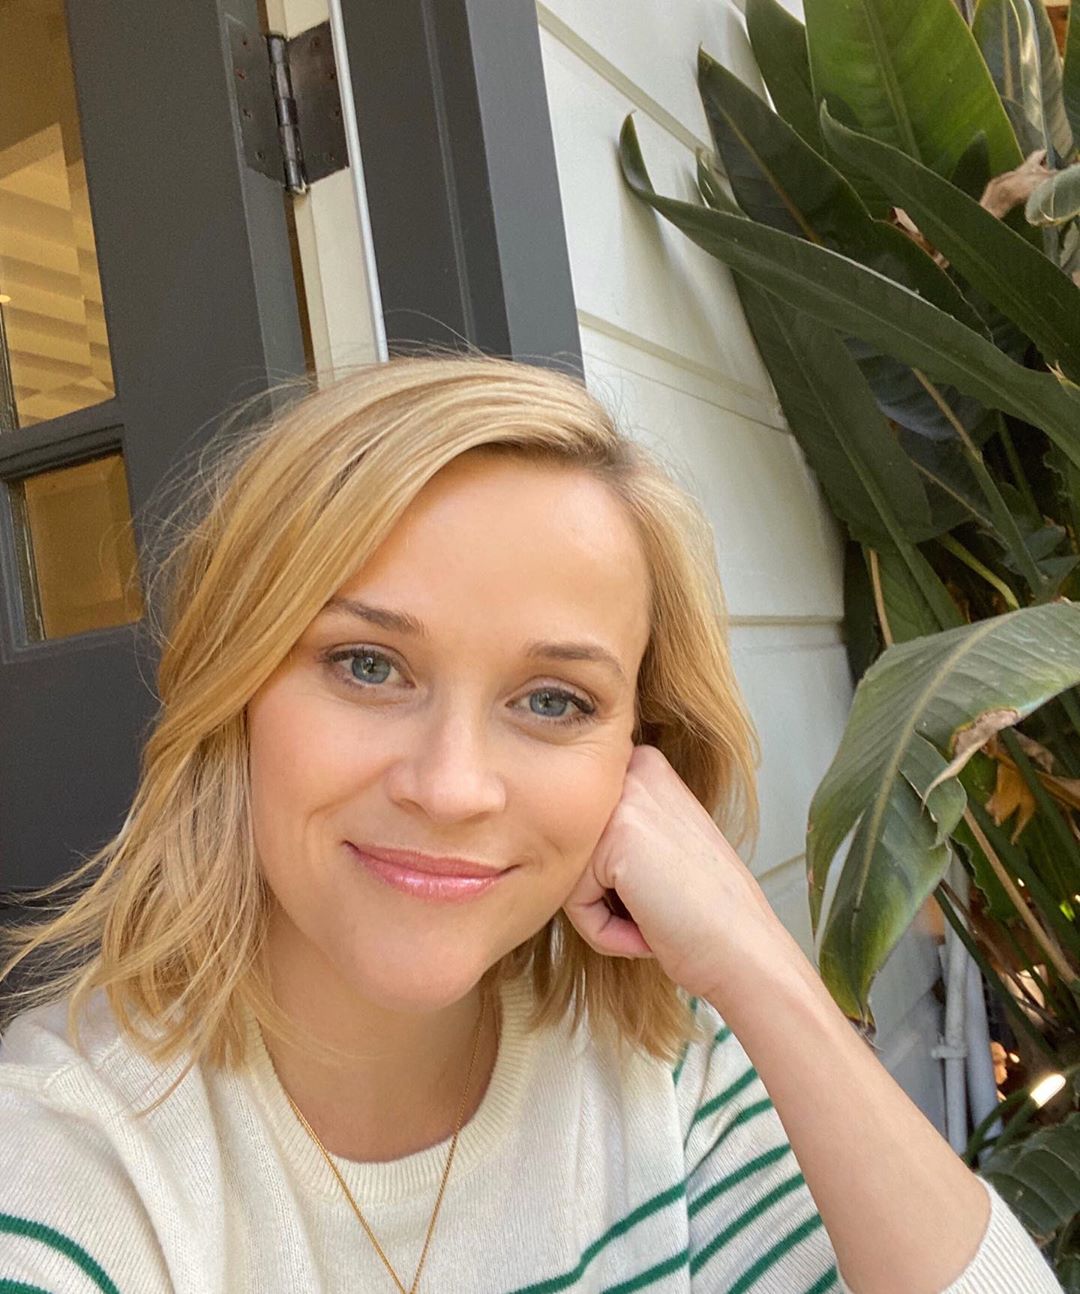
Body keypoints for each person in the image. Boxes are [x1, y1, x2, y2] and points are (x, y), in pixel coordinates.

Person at [0, 354, 1062, 1294]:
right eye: (367, 664)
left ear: (640, 755)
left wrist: (756, 963)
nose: (452, 786)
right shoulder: (67, 1161)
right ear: (232, 692)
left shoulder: (664, 1082)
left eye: (554, 699)